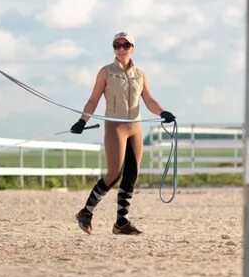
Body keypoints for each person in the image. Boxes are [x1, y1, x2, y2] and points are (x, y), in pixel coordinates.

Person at [69, 32, 175, 235]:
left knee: (132, 174)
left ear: (132, 47)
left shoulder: (140, 74)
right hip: (115, 126)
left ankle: (121, 222)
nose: (121, 49)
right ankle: (86, 212)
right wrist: (83, 121)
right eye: (116, 45)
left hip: (135, 126)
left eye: (125, 45)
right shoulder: (105, 72)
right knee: (114, 173)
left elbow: (149, 100)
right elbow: (93, 100)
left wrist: (163, 112)